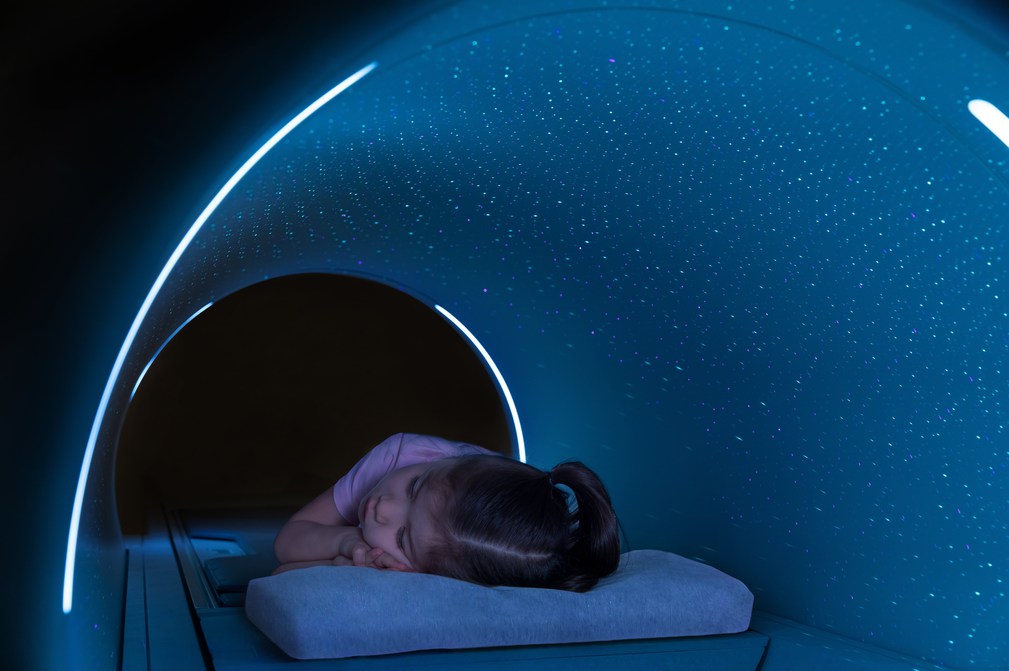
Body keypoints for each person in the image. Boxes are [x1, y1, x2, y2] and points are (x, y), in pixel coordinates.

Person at [273, 432, 621, 591]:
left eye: (402, 537)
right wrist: (346, 542)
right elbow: (287, 545)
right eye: (414, 487)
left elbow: (284, 575)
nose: (383, 507)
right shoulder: (401, 457)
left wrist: (342, 566)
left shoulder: (444, 565)